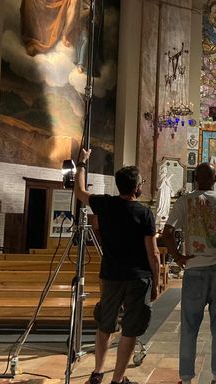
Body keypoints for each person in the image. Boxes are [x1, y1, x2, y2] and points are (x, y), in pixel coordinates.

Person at [74, 149, 161, 384]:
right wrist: (158, 280)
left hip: (110, 275)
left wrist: (82, 162)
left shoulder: (105, 204)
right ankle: (118, 379)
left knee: (105, 324)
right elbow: (153, 252)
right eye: (141, 182)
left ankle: (97, 372)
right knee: (130, 329)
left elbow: (79, 191)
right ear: (136, 188)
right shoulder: (144, 213)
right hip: (138, 277)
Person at [162, 162, 216, 384]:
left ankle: (186, 379)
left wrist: (178, 257)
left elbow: (167, 233)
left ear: (195, 178)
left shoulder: (185, 201)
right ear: (215, 180)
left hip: (194, 270)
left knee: (189, 327)